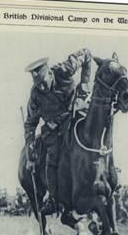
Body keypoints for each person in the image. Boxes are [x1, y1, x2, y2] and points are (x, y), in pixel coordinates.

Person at [24, 49, 92, 215]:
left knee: (93, 133)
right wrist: (30, 156)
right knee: (51, 159)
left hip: (76, 114)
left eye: (43, 82)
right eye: (37, 84)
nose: (42, 87)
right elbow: (30, 125)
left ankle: (107, 177)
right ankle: (54, 200)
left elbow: (87, 55)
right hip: (54, 130)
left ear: (49, 73)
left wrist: (84, 83)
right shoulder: (35, 95)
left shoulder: (64, 70)